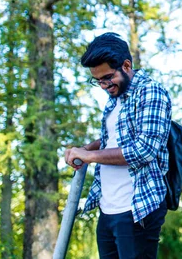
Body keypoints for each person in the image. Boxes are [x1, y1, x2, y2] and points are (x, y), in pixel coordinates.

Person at [65, 32, 171, 259]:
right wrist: (86, 149)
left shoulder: (150, 91)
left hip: (137, 208)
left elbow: (144, 149)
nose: (103, 86)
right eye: (98, 80)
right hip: (108, 207)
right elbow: (111, 140)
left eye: (107, 77)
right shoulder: (116, 96)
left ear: (126, 65)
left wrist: (90, 157)